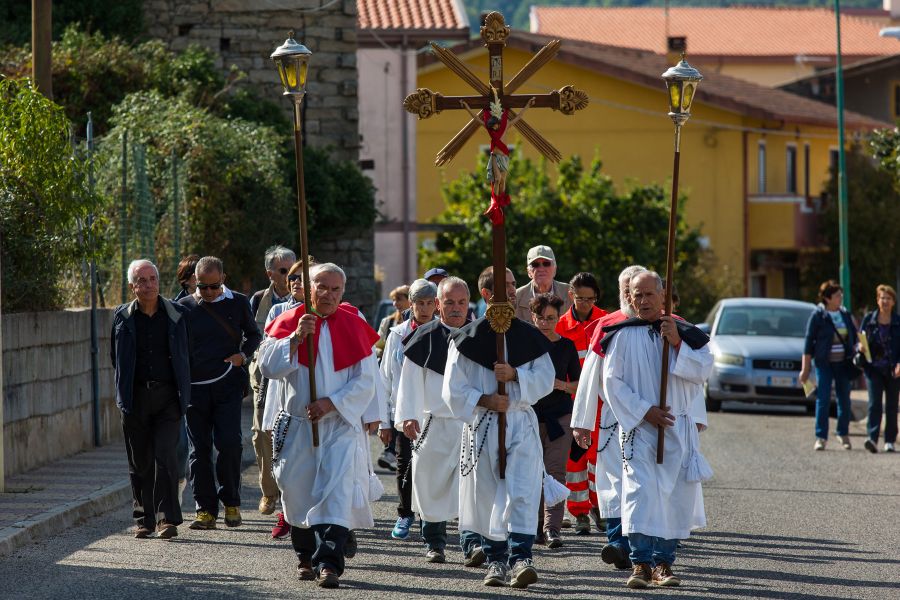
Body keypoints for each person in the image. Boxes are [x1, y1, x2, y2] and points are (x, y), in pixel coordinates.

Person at [258, 263, 380, 589]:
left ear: (343, 291)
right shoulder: (286, 321)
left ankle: (329, 564)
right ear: (308, 287)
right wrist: (296, 338)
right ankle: (304, 556)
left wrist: (331, 403)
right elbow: (267, 366)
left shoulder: (354, 325)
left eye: (335, 289)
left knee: (336, 494)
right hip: (298, 427)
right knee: (297, 493)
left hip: (338, 425)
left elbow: (366, 381)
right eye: (321, 287)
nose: (328, 294)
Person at [597, 270, 712, 588]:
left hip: (676, 429)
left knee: (673, 497)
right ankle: (640, 563)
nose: (643, 300)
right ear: (629, 298)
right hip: (640, 430)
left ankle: (664, 563)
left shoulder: (684, 332)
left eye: (650, 294)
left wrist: (677, 343)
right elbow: (611, 382)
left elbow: (703, 369)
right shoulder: (622, 334)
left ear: (663, 295)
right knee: (640, 493)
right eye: (637, 294)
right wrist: (645, 411)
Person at [443, 265, 554, 589]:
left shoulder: (529, 335)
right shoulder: (466, 338)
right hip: (486, 423)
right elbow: (453, 388)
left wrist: (517, 376)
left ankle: (521, 558)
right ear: (487, 294)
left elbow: (545, 379)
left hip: (519, 420)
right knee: (487, 494)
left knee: (522, 490)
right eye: (504, 285)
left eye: (513, 283)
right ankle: (495, 560)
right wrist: (486, 399)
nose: (511, 289)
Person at [178, 256, 262, 529]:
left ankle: (232, 503)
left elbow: (253, 335)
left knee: (229, 443)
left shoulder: (238, 302)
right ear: (195, 282)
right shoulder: (184, 307)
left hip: (227, 384)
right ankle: (205, 509)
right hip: (195, 389)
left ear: (223, 279)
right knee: (198, 449)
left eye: (214, 286)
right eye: (202, 287)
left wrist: (242, 355)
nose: (209, 292)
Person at [111, 259, 191, 539]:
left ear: (159, 282)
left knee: (166, 454)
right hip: (135, 397)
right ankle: (144, 519)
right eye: (141, 280)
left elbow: (185, 355)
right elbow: (115, 357)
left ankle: (167, 518)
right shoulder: (122, 317)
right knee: (140, 460)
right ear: (132, 287)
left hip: (169, 396)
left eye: (152, 279)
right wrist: (124, 391)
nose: (148, 285)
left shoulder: (176, 314)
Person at [572, 265, 646, 570]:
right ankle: (617, 543)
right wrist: (582, 421)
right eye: (626, 288)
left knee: (643, 484)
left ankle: (645, 545)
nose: (630, 294)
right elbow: (590, 377)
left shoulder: (664, 324)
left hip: (649, 422)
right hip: (613, 422)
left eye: (636, 288)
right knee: (614, 484)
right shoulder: (607, 326)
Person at [394, 277, 470, 563]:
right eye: (449, 302)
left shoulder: (480, 336)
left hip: (468, 423)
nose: (455, 308)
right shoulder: (423, 337)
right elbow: (409, 382)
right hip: (432, 422)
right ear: (438, 304)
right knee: (429, 486)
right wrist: (408, 417)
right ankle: (435, 542)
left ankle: (471, 542)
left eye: (461, 302)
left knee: (471, 487)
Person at [380, 279, 438, 540]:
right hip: (404, 410)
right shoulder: (397, 334)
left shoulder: (443, 332)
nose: (424, 309)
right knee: (405, 462)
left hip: (435, 411)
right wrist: (384, 421)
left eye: (429, 303)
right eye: (419, 303)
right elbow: (385, 378)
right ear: (411, 305)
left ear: (436, 305)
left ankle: (432, 516)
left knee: (433, 465)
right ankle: (405, 513)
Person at [556, 272, 607, 534]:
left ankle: (601, 508)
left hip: (602, 404)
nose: (585, 303)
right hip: (573, 404)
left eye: (590, 298)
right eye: (580, 298)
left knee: (599, 459)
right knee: (574, 461)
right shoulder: (561, 326)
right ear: (570, 295)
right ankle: (579, 512)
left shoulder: (607, 322)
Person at [248, 245, 297, 518]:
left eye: (294, 271)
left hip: (294, 375)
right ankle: (269, 492)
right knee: (261, 432)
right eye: (284, 271)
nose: (291, 277)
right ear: (271, 274)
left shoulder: (309, 300)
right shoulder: (258, 301)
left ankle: (291, 491)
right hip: (264, 375)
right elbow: (248, 335)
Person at [530, 294, 580, 549]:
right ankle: (535, 527)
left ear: (558, 318)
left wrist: (559, 384)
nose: (545, 323)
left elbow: (578, 385)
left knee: (556, 472)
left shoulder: (567, 346)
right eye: (540, 318)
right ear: (532, 317)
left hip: (560, 416)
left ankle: (552, 529)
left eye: (550, 318)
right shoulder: (525, 345)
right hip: (530, 417)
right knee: (532, 474)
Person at [800, 280, 858, 451]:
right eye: (837, 295)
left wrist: (858, 347)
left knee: (844, 400)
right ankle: (821, 437)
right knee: (823, 399)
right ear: (827, 298)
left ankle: (843, 433)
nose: (841, 298)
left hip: (843, 363)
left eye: (841, 295)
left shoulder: (845, 315)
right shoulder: (818, 316)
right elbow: (809, 342)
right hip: (824, 363)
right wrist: (805, 368)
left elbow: (854, 336)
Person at [859, 285, 900, 453]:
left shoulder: (898, 322)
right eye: (882, 298)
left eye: (888, 298)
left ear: (893, 302)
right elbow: (860, 339)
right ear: (877, 300)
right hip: (873, 368)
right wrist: (860, 347)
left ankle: (889, 440)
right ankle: (872, 438)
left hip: (893, 369)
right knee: (874, 403)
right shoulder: (869, 320)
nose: (885, 301)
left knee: (892, 405)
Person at [514, 245, 573, 322]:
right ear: (529, 272)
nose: (541, 269)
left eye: (546, 263)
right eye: (535, 264)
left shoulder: (570, 294)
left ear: (555, 269)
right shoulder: (516, 298)